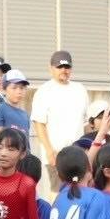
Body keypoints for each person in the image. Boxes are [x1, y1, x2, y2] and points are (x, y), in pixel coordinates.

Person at [32, 50, 90, 189]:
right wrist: (49, 151)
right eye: (60, 67)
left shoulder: (80, 89)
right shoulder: (44, 91)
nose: (64, 70)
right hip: (56, 154)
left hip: (79, 153)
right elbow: (39, 123)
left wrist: (88, 148)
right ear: (51, 68)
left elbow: (86, 122)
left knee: (81, 190)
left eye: (67, 67)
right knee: (58, 192)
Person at [0, 70, 32, 135]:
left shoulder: (25, 115)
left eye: (22, 88)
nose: (19, 91)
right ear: (4, 90)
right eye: (14, 88)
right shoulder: (0, 109)